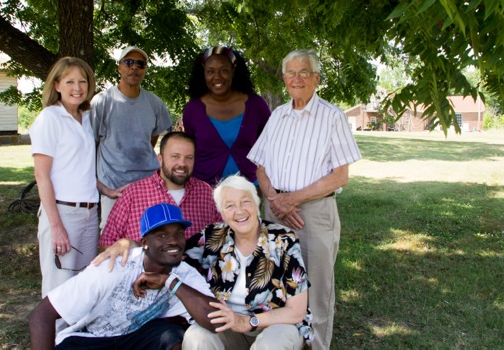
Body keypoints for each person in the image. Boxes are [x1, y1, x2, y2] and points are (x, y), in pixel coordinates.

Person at [95, 175, 312, 350]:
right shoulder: (212, 237)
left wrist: (247, 322)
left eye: (245, 202)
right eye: (230, 205)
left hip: (273, 325)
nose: (239, 211)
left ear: (256, 205)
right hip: (228, 326)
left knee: (268, 346)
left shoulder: (283, 239)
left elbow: (296, 311)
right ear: (222, 213)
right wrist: (129, 243)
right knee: (197, 336)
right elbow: (170, 252)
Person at [247, 49, 362, 350]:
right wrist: (274, 199)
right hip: (276, 211)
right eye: (291, 73)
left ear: (316, 78)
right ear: (284, 79)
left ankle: (317, 346)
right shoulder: (277, 116)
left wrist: (292, 199)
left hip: (313, 213)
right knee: (276, 282)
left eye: (304, 72)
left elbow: (340, 176)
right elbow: (260, 166)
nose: (296, 78)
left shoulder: (333, 116)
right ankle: (280, 342)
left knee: (317, 289)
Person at [28, 203, 218, 350]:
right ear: (144, 243)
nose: (174, 241)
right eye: (162, 235)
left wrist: (169, 281)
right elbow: (41, 316)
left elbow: (214, 320)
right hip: (90, 340)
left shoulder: (184, 274)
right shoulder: (112, 268)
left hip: (134, 338)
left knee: (170, 336)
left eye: (179, 234)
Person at [29, 57, 99, 298]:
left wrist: (105, 189)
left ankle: (76, 336)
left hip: (90, 212)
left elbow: (77, 166)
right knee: (60, 289)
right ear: (57, 85)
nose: (77, 88)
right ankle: (55, 336)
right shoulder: (49, 118)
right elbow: (42, 175)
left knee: (84, 284)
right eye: (69, 81)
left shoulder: (85, 118)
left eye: (82, 81)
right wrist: (56, 227)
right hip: (63, 213)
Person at [91, 46, 172, 231]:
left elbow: (153, 138)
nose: (134, 67)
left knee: (149, 236)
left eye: (140, 64)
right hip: (113, 186)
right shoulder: (102, 102)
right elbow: (91, 144)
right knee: (112, 238)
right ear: (119, 67)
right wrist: (99, 183)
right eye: (128, 62)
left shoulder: (154, 103)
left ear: (145, 70)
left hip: (148, 185)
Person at [100, 131, 222, 247]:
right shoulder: (134, 193)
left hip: (196, 268)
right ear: (160, 159)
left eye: (189, 158)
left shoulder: (206, 193)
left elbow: (225, 235)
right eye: (175, 156)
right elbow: (107, 242)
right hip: (144, 268)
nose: (182, 163)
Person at [182, 46, 270, 187]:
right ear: (203, 74)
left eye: (224, 70)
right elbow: (189, 148)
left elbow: (270, 143)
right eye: (210, 71)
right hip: (204, 190)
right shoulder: (193, 110)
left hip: (249, 190)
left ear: (233, 71)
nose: (217, 77)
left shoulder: (256, 105)